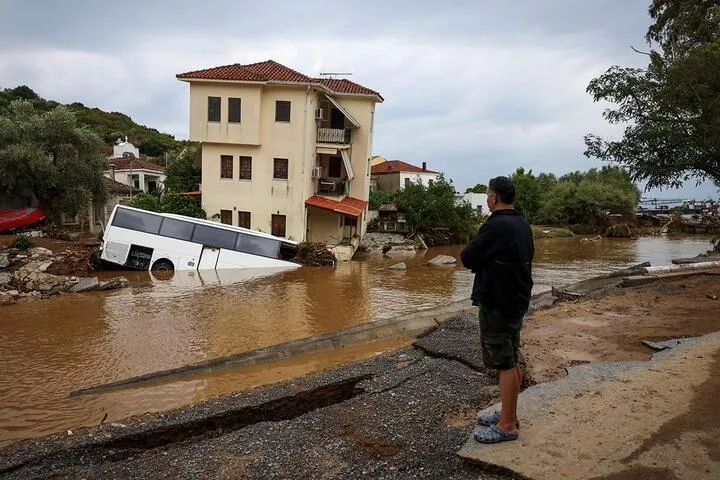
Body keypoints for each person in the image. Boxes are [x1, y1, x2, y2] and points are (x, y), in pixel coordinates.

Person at [460, 176, 534, 443]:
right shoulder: (522, 223)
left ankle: (506, 426)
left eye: (488, 195)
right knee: (511, 357)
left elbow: (468, 257)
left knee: (504, 362)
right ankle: (509, 415)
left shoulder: (496, 226)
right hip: (516, 300)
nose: (487, 199)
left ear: (494, 198)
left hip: (498, 303)